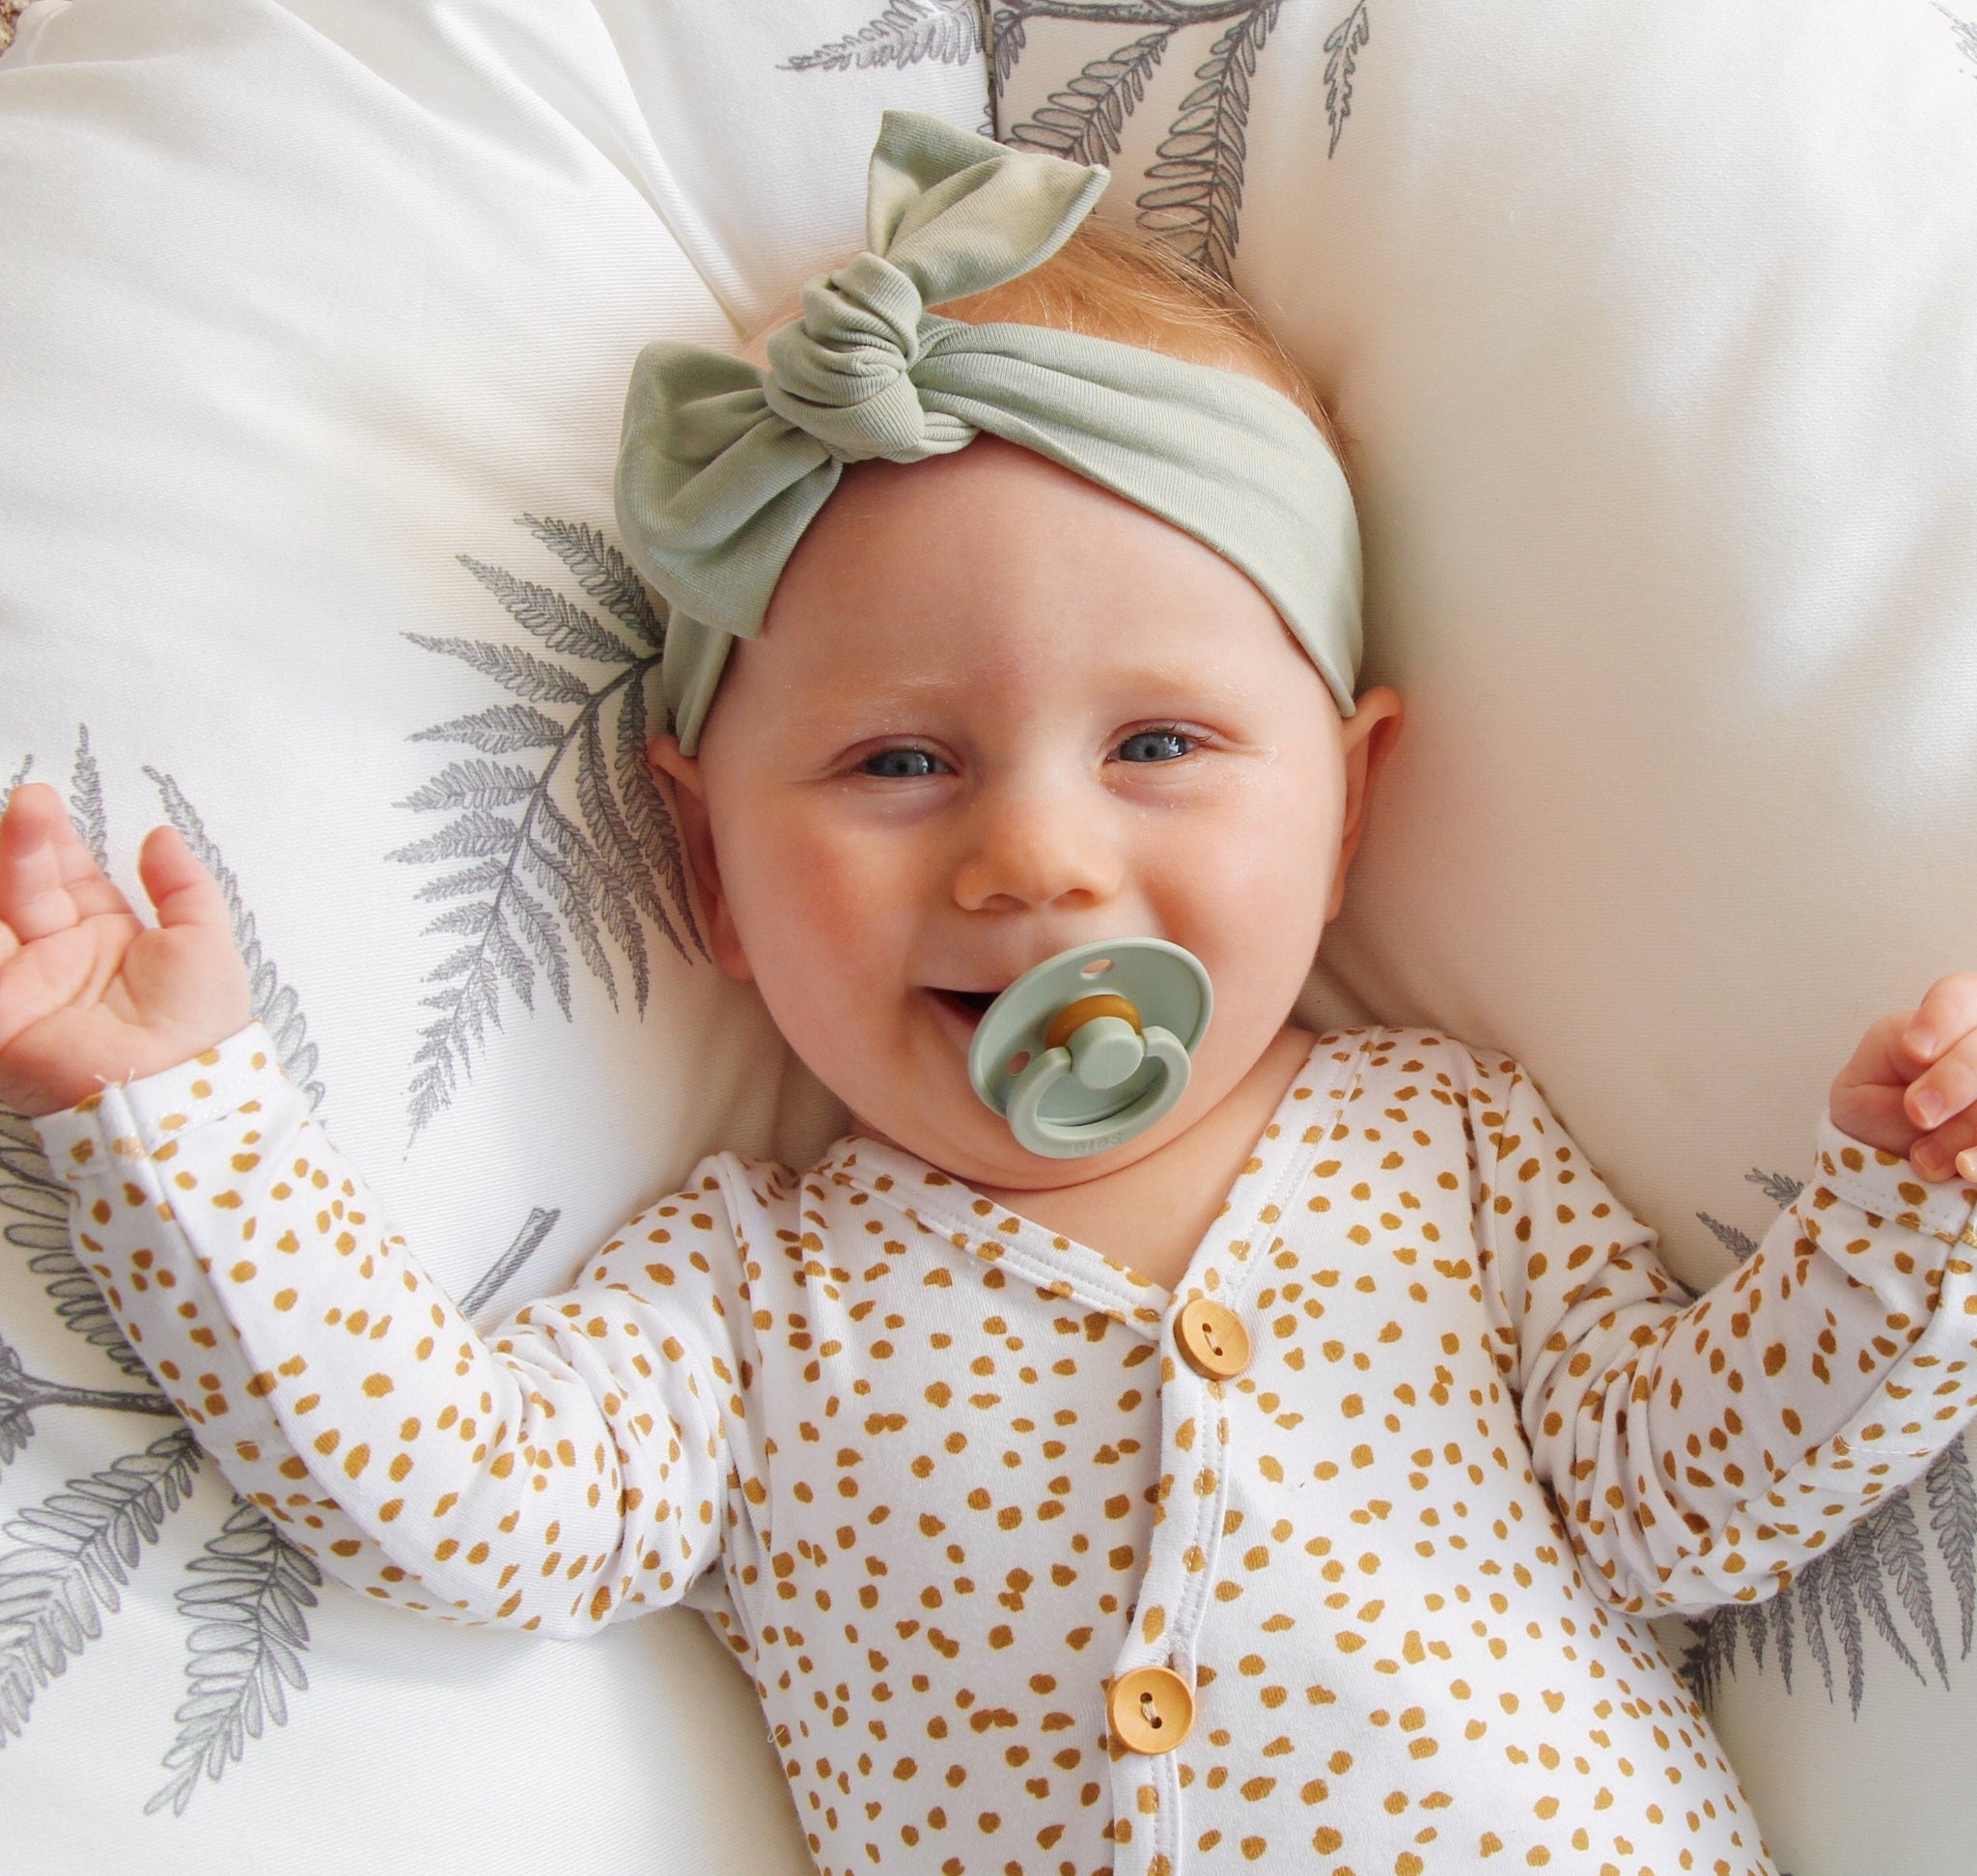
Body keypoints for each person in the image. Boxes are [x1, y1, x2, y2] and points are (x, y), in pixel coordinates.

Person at [5, 112, 1977, 1876]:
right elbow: (458, 1495)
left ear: (1350, 800)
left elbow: (1674, 1496)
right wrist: (171, 1115)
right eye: (894, 763)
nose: (1033, 857)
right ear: (707, 869)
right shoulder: (748, 1295)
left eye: (1159, 745)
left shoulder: (1438, 1138)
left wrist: (1907, 1216)